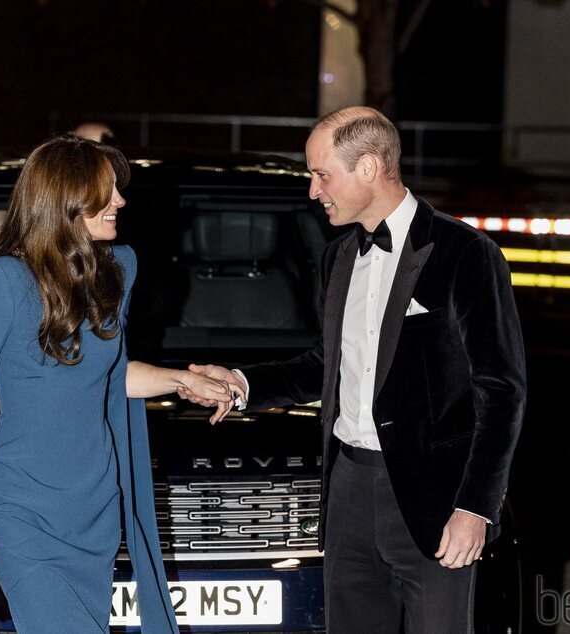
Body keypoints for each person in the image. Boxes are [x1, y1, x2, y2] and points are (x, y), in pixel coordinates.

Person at [182, 107, 526, 632]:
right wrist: (244, 383)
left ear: (368, 167)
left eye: (322, 174)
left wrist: (476, 506)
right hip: (347, 490)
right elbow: (326, 364)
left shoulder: (466, 253)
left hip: (433, 498)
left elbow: (500, 390)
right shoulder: (338, 255)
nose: (314, 191)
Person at [0, 136, 238, 632]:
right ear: (66, 200)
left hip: (94, 504)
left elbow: (107, 375)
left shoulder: (118, 269)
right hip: (23, 506)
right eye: (107, 191)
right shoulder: (1, 281)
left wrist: (182, 380)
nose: (121, 201)